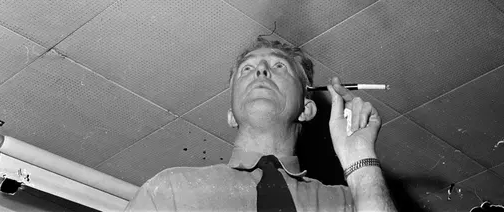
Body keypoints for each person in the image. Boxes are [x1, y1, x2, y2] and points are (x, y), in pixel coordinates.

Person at [125, 37, 397, 211]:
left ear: (306, 109)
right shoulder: (171, 190)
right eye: (247, 69)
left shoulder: (347, 203)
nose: (261, 70)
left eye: (279, 67)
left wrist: (360, 161)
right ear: (231, 114)